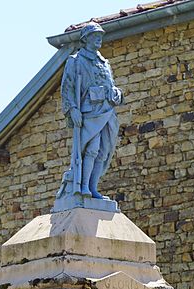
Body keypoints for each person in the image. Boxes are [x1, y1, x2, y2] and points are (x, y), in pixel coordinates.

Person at [56, 22, 123, 203]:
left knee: (104, 150)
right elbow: (67, 87)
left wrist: (116, 93)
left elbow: (110, 85)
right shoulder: (76, 60)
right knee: (91, 149)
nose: (99, 39)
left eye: (100, 35)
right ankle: (83, 186)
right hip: (90, 110)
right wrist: (72, 109)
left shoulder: (104, 63)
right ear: (86, 39)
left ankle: (93, 188)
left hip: (107, 109)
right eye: (95, 36)